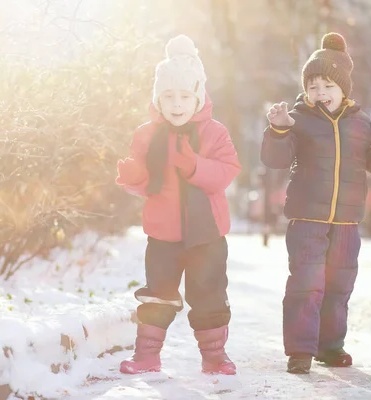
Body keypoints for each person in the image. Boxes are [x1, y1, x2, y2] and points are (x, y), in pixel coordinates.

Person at [260, 32, 371, 374]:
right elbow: (275, 159)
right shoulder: (297, 118)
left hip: (347, 222)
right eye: (314, 86)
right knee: (306, 283)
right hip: (307, 220)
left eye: (328, 86)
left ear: (343, 89)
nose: (320, 93)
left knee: (339, 285)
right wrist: (277, 129)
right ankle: (301, 350)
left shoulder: (360, 123)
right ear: (306, 90)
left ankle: (330, 346)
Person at [115, 34, 241, 375]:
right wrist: (132, 174)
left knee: (209, 293)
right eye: (168, 95)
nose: (176, 103)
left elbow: (228, 170)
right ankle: (147, 356)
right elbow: (144, 183)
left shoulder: (215, 133)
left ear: (198, 96)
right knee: (158, 294)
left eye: (185, 95)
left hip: (208, 235)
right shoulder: (148, 134)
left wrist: (195, 166)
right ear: (158, 97)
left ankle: (215, 356)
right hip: (163, 234)